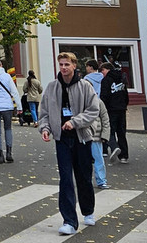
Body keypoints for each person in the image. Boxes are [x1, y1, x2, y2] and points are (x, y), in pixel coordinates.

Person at [38, 51, 101, 236]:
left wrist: (75, 121)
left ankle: (88, 210)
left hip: (81, 137)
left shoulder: (85, 87)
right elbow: (44, 112)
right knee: (65, 179)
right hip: (62, 139)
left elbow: (93, 110)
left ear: (74, 66)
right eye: (61, 65)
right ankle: (69, 221)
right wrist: (45, 128)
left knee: (83, 177)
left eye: (67, 64)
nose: (64, 68)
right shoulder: (51, 87)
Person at [99, 62, 129, 163]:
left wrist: (102, 108)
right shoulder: (121, 78)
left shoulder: (106, 80)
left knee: (110, 130)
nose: (102, 73)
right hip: (121, 108)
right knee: (121, 132)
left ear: (106, 69)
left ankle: (114, 146)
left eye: (102, 70)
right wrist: (124, 105)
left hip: (111, 109)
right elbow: (126, 94)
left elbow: (104, 96)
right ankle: (124, 155)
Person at [91, 99, 110, 190]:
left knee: (98, 159)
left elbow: (105, 118)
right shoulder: (79, 100)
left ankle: (101, 181)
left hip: (96, 136)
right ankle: (85, 181)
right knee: (84, 160)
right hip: (83, 136)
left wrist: (105, 135)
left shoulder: (98, 102)